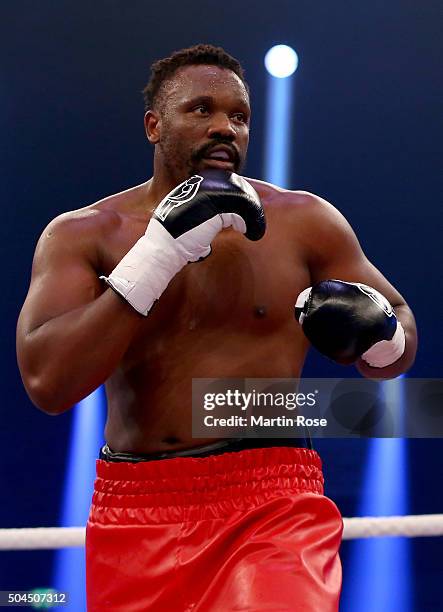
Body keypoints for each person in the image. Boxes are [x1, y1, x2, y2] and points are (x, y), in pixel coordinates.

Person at [16, 44, 417, 611]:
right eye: (201, 110)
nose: (225, 127)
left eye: (239, 115)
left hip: (272, 497)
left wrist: (380, 337)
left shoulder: (304, 222)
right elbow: (48, 384)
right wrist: (156, 255)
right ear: (155, 125)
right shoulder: (86, 235)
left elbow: (400, 332)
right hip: (138, 507)